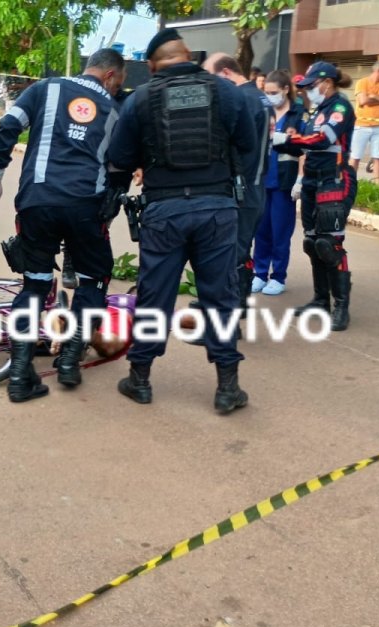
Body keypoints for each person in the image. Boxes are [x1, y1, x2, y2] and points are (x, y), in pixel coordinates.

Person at [105, 29, 257, 414]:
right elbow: (248, 145)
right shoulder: (227, 92)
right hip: (217, 209)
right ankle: (228, 388)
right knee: (220, 296)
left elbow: (120, 157)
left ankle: (140, 379)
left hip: (164, 211)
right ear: (188, 55)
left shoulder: (141, 98)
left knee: (155, 296)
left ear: (152, 64)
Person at [0, 48, 126, 403]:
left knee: (35, 285)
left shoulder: (46, 88)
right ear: (110, 75)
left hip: (36, 202)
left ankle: (20, 376)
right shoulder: (114, 110)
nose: (117, 89)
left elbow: (9, 125)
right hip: (84, 208)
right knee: (94, 279)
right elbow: (119, 168)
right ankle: (70, 362)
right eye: (118, 82)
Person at [273, 61, 356, 331]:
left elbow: (322, 139)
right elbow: (304, 147)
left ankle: (341, 307)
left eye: (311, 86)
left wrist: (287, 139)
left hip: (334, 181)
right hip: (311, 181)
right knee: (312, 243)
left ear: (327, 83)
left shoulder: (340, 108)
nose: (307, 91)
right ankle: (320, 300)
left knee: (329, 244)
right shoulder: (316, 111)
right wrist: (281, 140)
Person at [203, 53, 271, 301]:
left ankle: (232, 306)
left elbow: (235, 144)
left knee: (233, 251)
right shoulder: (258, 97)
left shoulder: (243, 99)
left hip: (245, 186)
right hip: (255, 184)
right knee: (240, 248)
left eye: (212, 78)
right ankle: (236, 302)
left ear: (225, 73)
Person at [253, 70, 306, 296]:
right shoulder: (263, 111)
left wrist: (300, 179)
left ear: (286, 89)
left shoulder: (298, 115)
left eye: (273, 92)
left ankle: (278, 276)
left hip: (284, 182)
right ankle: (259, 273)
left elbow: (305, 149)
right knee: (261, 231)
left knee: (280, 233)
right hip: (262, 179)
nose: (270, 96)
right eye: (266, 92)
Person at [351, 61, 379, 184]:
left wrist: (374, 96)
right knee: (355, 156)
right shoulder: (362, 82)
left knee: (378, 157)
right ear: (378, 71)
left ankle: (377, 185)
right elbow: (363, 101)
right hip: (361, 125)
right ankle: (350, 183)